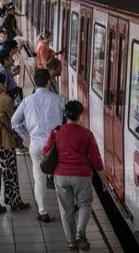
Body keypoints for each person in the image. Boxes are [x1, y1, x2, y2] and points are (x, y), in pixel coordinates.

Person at [42, 100, 108, 251]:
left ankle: (71, 241)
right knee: (85, 204)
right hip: (82, 175)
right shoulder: (87, 134)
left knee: (66, 209)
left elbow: (45, 152)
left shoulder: (56, 132)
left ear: (65, 114)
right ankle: (80, 232)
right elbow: (96, 159)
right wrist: (103, 178)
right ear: (80, 115)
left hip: (61, 175)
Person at [11, 69, 65, 223]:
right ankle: (66, 208)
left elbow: (14, 121)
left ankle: (43, 212)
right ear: (49, 81)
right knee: (59, 178)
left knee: (39, 179)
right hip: (55, 147)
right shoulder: (59, 100)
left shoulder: (27, 101)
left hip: (36, 145)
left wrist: (25, 136)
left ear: (35, 81)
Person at [0, 73, 31, 214]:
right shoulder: (5, 99)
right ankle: (14, 200)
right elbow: (12, 117)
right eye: (5, 83)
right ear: (0, 85)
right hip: (4, 141)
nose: (6, 85)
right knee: (10, 173)